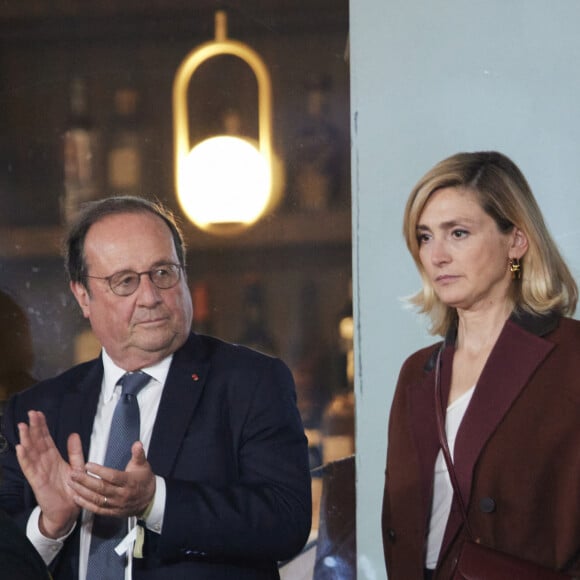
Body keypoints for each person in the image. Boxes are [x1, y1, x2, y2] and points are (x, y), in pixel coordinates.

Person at [0, 196, 311, 579]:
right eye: (125, 281)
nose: (150, 297)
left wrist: (155, 502)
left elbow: (286, 521)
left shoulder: (250, 382)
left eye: (163, 273)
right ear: (83, 296)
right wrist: (51, 524)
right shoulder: (36, 413)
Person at [381, 151, 580, 579]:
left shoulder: (571, 358)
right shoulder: (418, 372)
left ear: (516, 241)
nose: (437, 256)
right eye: (425, 236)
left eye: (458, 233)